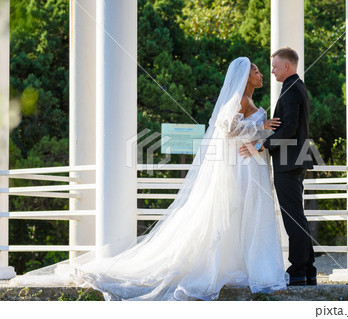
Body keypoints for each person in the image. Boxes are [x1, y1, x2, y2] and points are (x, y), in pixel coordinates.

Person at [10, 57, 288, 301]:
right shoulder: (238, 99)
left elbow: (246, 134)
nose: (261, 74)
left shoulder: (252, 101)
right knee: (233, 213)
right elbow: (227, 129)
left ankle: (248, 264)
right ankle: (225, 265)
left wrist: (261, 139)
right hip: (238, 168)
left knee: (247, 216)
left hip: (252, 163)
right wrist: (260, 125)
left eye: (260, 71)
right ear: (243, 76)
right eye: (255, 70)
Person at [240, 47, 317, 286]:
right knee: (297, 216)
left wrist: (261, 146)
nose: (271, 70)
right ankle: (308, 269)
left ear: (286, 66)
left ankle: (297, 270)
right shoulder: (294, 87)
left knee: (292, 218)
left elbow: (289, 130)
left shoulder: (292, 89)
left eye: (274, 66)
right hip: (293, 161)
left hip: (289, 162)